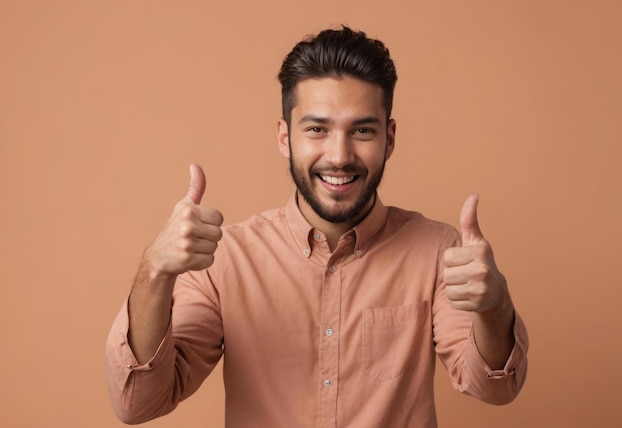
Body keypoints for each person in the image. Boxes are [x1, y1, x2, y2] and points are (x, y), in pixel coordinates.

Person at [105, 26, 528, 428]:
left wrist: (494, 306)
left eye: (362, 130)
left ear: (390, 139)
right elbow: (138, 402)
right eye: (317, 130)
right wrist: (154, 272)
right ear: (286, 138)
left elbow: (494, 387)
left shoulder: (438, 251)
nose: (340, 155)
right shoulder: (225, 260)